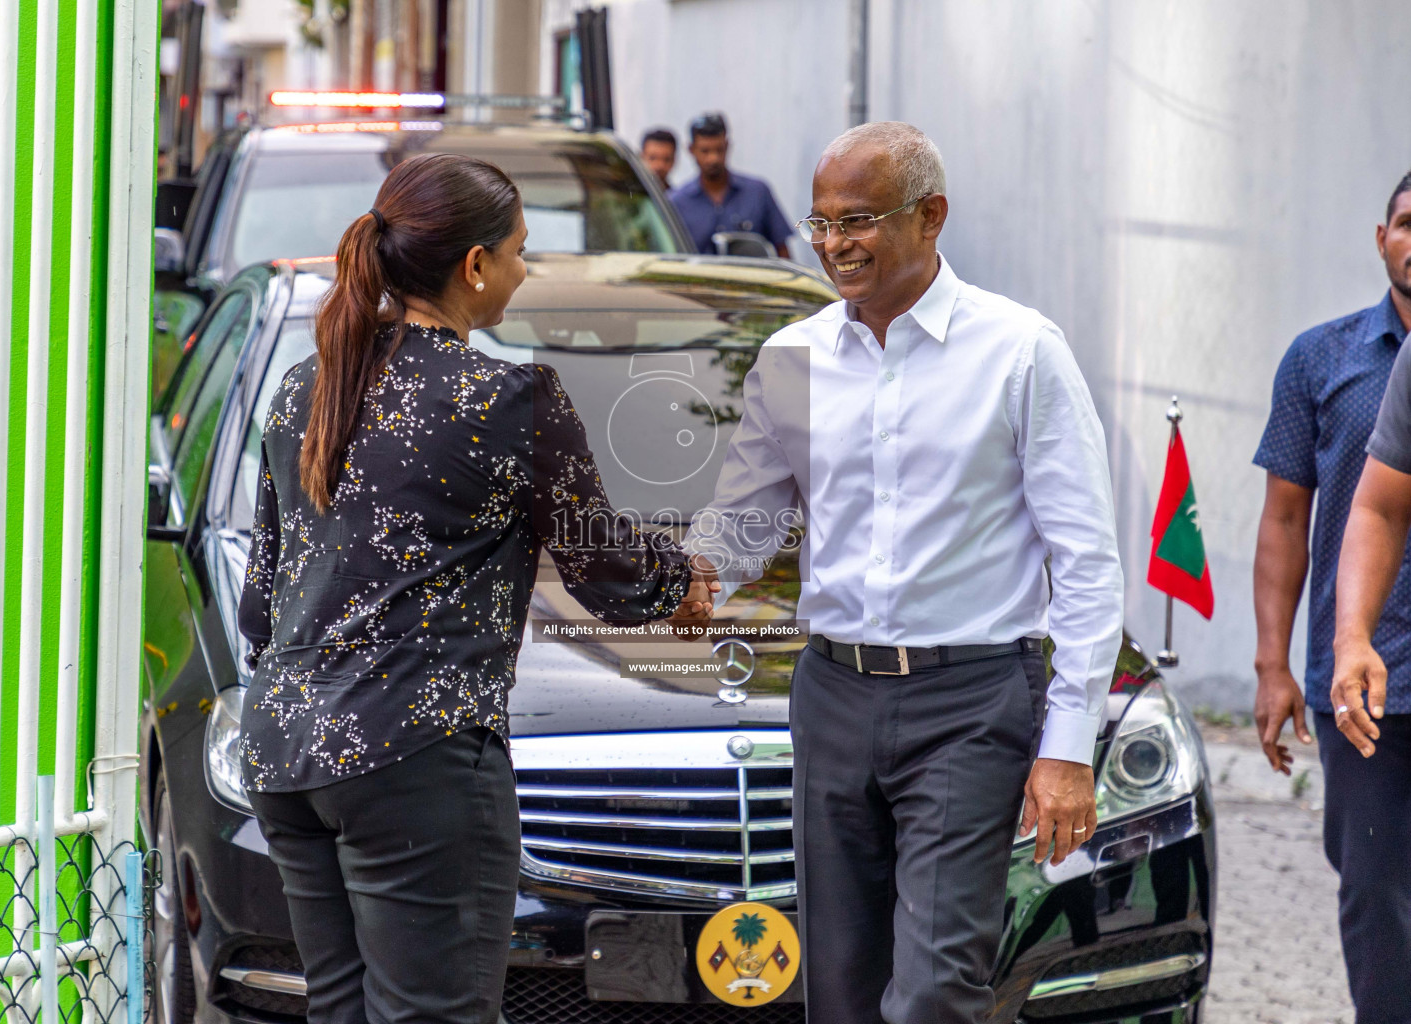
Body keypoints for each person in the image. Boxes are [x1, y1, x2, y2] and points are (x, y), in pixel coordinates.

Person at [236, 152, 703, 1024]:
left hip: (286, 750)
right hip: (416, 756)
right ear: (475, 265)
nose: (526, 272)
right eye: (520, 250)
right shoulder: (507, 398)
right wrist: (682, 581)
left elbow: (261, 598)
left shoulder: (304, 387)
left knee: (339, 1009)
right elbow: (603, 569)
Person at [674, 121, 1123, 1024]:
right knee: (836, 985)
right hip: (832, 695)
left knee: (932, 990)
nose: (835, 243)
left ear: (932, 217)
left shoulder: (1021, 352)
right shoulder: (794, 357)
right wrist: (688, 578)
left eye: (860, 220)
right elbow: (749, 517)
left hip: (971, 702)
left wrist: (1068, 747)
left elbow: (1085, 559)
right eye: (822, 222)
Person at [1255, 163, 1411, 1024]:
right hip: (1362, 676)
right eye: (1409, 223)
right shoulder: (1319, 359)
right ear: (1382, 238)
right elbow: (1285, 520)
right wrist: (1273, 665)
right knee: (1372, 891)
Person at [667, 112, 791, 257]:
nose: (713, 159)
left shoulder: (757, 193)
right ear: (691, 150)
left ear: (727, 146)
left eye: (719, 150)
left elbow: (782, 251)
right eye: (705, 151)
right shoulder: (676, 202)